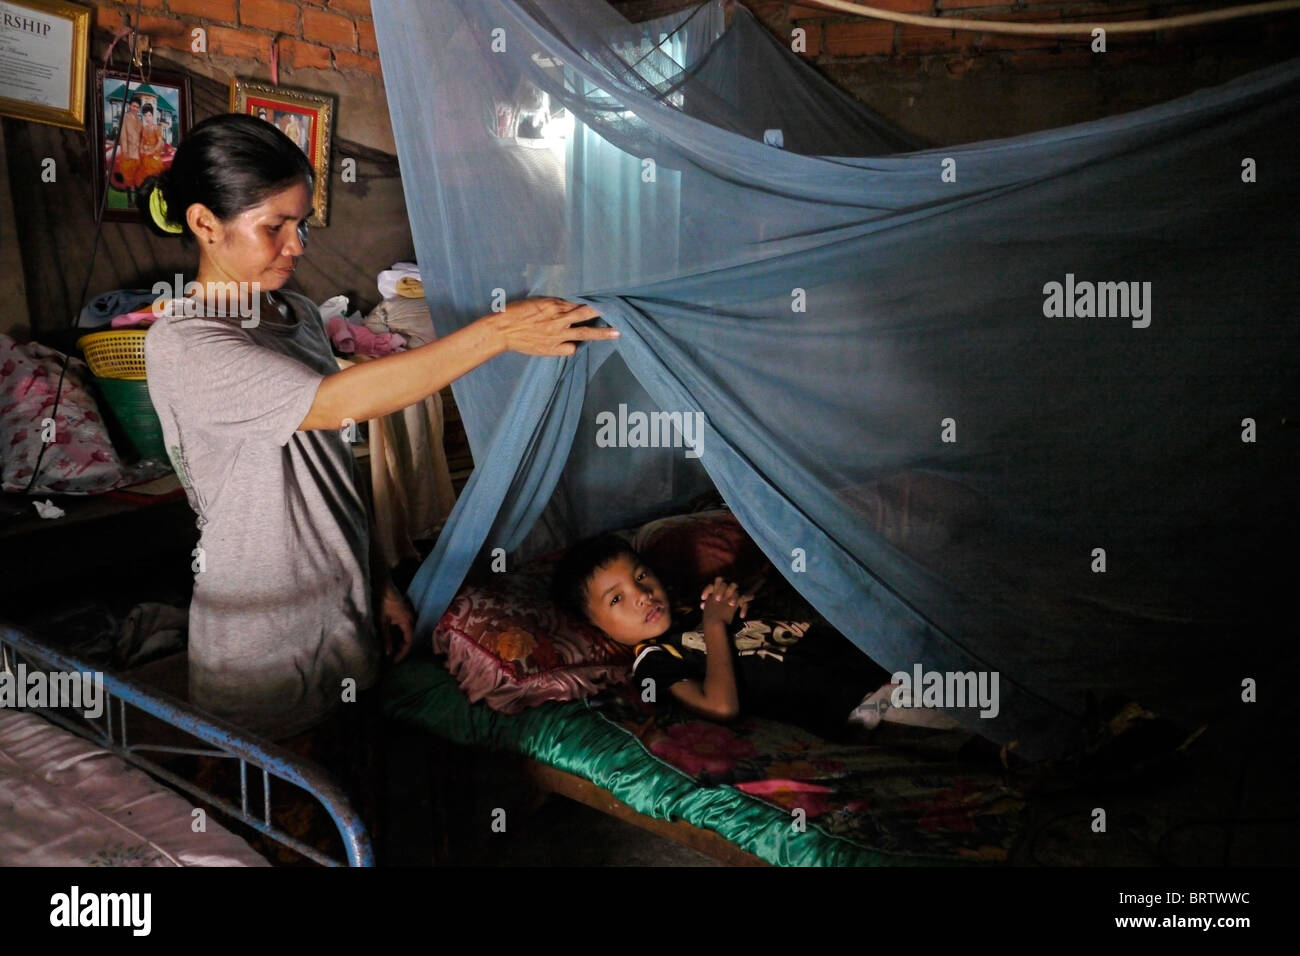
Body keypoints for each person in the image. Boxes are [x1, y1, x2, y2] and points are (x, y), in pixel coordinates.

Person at [137, 113, 617, 746]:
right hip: (264, 640)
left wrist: (379, 578)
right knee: (294, 822)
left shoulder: (297, 313)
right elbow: (336, 404)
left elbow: (328, 473)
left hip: (342, 612)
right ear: (204, 224)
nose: (298, 245)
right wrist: (499, 332)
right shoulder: (189, 342)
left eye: (300, 223)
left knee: (359, 789)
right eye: (274, 226)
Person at [552, 534, 962, 741]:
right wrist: (714, 625)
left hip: (864, 657)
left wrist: (741, 606)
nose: (642, 595)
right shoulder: (653, 660)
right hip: (854, 700)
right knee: (984, 718)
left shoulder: (695, 609)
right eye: (618, 598)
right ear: (598, 627)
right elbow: (721, 707)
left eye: (640, 576)